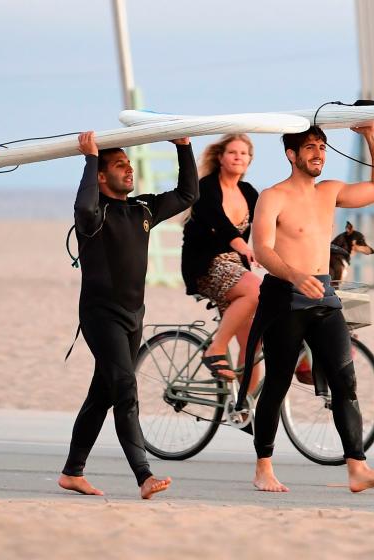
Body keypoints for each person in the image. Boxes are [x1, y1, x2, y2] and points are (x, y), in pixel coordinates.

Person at [238, 124, 374, 493]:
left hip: (324, 295)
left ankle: (356, 467)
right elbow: (262, 249)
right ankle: (263, 467)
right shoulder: (272, 196)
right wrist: (294, 275)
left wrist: (371, 135)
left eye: (323, 147)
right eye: (310, 147)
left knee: (346, 380)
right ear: (291, 155)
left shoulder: (330, 192)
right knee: (277, 383)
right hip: (284, 296)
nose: (318, 154)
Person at [59, 131, 198, 499]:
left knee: (102, 394)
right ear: (102, 177)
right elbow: (84, 208)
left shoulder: (143, 210)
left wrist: (184, 148)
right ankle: (143, 475)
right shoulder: (94, 218)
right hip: (100, 316)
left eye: (130, 163)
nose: (129, 168)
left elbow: (188, 195)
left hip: (133, 315)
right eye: (120, 164)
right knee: (125, 388)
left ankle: (72, 472)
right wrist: (90, 160)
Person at [180, 134, 262, 389]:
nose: (238, 157)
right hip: (205, 264)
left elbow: (267, 225)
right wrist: (243, 247)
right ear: (220, 157)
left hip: (237, 269)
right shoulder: (205, 187)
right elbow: (219, 222)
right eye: (232, 152)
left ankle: (244, 408)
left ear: (249, 160)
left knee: (252, 342)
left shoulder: (249, 192)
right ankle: (215, 349)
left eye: (244, 153)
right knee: (255, 290)